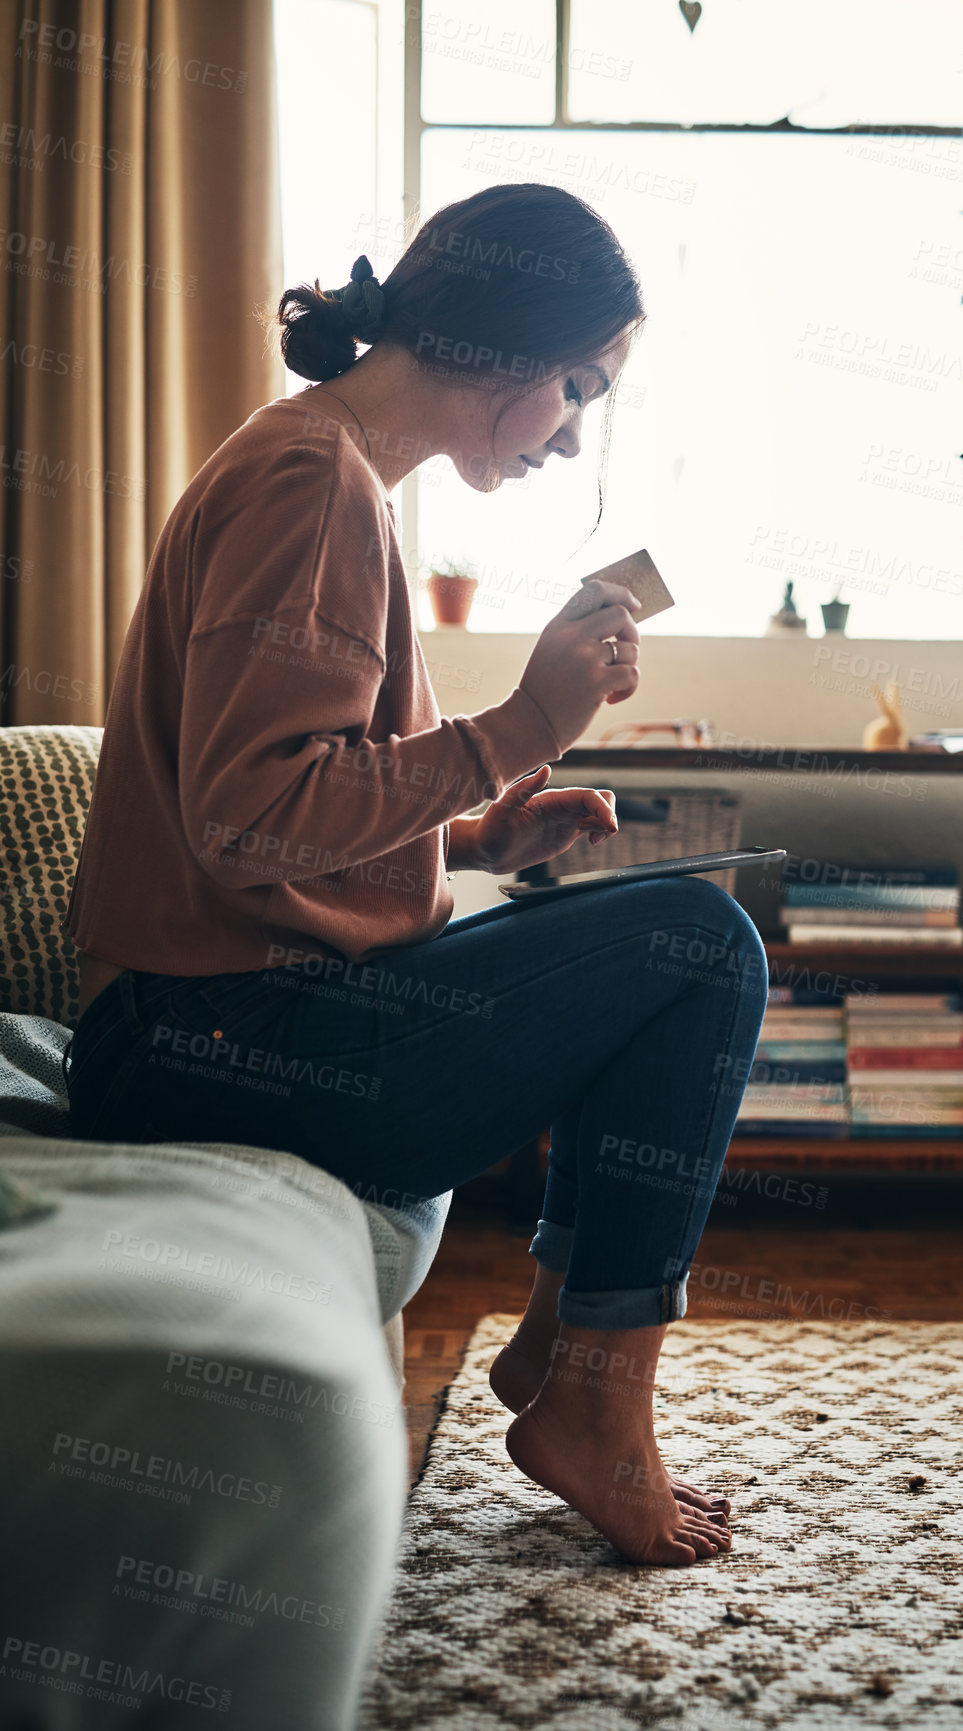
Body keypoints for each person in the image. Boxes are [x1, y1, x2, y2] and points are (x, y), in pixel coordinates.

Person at [63, 182, 769, 1567]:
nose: (574, 436)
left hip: (212, 1019)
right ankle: (591, 1401)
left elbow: (270, 806)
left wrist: (474, 837)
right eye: (580, 387)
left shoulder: (323, 471)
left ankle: (570, 1363)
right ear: (508, 347)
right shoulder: (310, 484)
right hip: (207, 1043)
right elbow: (252, 818)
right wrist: (515, 733)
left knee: (678, 938)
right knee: (696, 945)